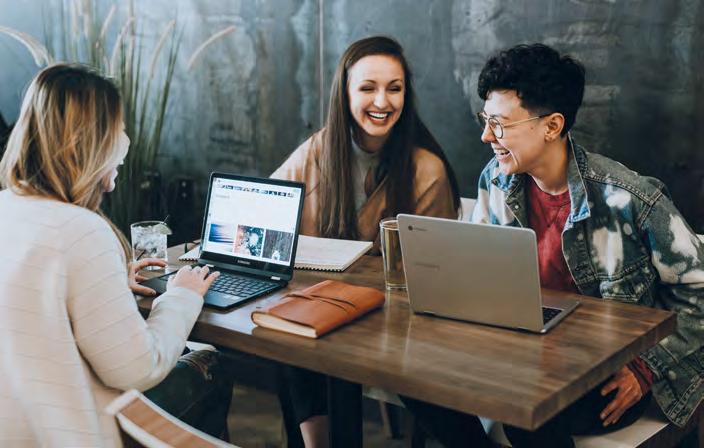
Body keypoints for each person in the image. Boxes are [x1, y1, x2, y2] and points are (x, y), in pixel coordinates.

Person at [402, 43, 704, 447]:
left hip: (606, 370)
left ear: (552, 125)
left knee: (527, 409)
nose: (485, 135)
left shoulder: (628, 198)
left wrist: (647, 368)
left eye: (500, 124)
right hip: (523, 355)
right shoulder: (496, 180)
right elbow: (479, 280)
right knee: (412, 377)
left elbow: (698, 292)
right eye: (485, 120)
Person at [0, 64, 233, 447]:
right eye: (119, 129)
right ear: (91, 141)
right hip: (64, 433)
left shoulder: (7, 207)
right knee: (207, 363)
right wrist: (182, 295)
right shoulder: (81, 231)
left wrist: (107, 283)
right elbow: (138, 369)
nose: (125, 140)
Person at [272, 35, 462, 447]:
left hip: (393, 325)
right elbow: (268, 207)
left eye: (394, 89)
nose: (382, 101)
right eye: (367, 88)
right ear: (345, 93)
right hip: (323, 312)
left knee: (304, 342)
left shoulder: (425, 169)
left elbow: (432, 275)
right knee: (286, 335)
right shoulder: (320, 149)